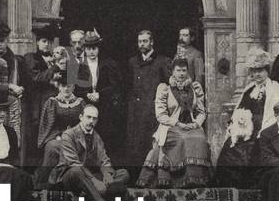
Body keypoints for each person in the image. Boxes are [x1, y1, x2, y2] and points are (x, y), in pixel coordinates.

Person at [136, 57, 211, 188]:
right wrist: (177, 123)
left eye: (184, 70)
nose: (181, 73)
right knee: (182, 139)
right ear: (172, 72)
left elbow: (201, 111)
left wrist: (197, 123)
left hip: (191, 126)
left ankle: (195, 180)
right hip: (171, 126)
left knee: (199, 138)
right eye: (178, 70)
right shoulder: (165, 89)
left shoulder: (194, 88)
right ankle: (177, 180)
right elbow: (160, 114)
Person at [50, 104, 129, 201]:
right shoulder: (68, 135)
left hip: (91, 177)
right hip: (71, 176)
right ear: (81, 117)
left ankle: (98, 193)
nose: (91, 121)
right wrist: (94, 181)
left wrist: (107, 174)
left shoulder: (96, 137)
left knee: (123, 173)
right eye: (88, 117)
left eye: (94, 118)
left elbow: (104, 159)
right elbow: (73, 163)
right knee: (76, 171)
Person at [125, 29, 172, 174]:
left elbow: (169, 87)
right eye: (139, 41)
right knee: (135, 145)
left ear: (152, 42)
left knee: (150, 145)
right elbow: (128, 86)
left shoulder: (162, 61)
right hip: (135, 112)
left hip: (152, 112)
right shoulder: (133, 62)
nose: (142, 44)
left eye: (145, 41)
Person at [74, 29, 122, 157]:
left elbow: (115, 85)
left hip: (105, 105)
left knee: (105, 135)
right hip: (86, 106)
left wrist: (100, 94)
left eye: (94, 48)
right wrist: (87, 95)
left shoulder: (108, 64)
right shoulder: (80, 66)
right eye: (89, 49)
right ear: (85, 49)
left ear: (98, 49)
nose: (91, 52)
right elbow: (77, 88)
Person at [35, 73, 84, 186]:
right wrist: (57, 136)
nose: (66, 88)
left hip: (76, 137)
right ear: (58, 86)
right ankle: (46, 181)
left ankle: (69, 180)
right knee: (52, 147)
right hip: (56, 136)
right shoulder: (52, 102)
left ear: (74, 87)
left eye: (69, 85)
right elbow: (46, 125)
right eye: (63, 86)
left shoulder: (80, 103)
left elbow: (84, 124)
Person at [229, 51, 279, 138]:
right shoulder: (249, 90)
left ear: (267, 71)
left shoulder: (275, 88)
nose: (257, 74)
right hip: (247, 128)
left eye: (260, 70)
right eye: (254, 71)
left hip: (267, 128)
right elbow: (240, 110)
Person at [22, 26, 59, 166]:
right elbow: (36, 78)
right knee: (36, 132)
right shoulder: (31, 58)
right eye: (43, 41)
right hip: (37, 103)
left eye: (49, 41)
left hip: (53, 102)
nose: (46, 44)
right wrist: (54, 68)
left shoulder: (55, 58)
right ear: (37, 42)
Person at [215, 107, 258, 189]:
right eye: (240, 119)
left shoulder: (253, 143)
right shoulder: (230, 142)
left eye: (243, 119)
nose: (241, 121)